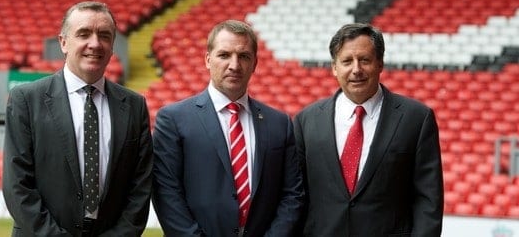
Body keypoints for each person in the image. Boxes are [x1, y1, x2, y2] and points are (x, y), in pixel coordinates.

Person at [2, 1, 153, 237]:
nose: (95, 43)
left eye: (104, 35)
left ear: (112, 45)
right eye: (84, 34)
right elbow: (17, 186)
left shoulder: (134, 105)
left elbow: (140, 187)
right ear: (63, 42)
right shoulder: (26, 99)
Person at [151, 19, 304, 237]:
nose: (234, 65)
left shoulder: (280, 124)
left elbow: (292, 195)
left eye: (243, 56)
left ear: (255, 63)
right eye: (224, 55)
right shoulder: (173, 119)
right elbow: (166, 193)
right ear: (207, 59)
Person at [293, 23, 444, 236]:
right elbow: (295, 196)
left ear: (380, 63)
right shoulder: (305, 120)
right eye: (347, 61)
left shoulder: (417, 119)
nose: (356, 69)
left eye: (364, 60)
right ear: (334, 67)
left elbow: (428, 201)